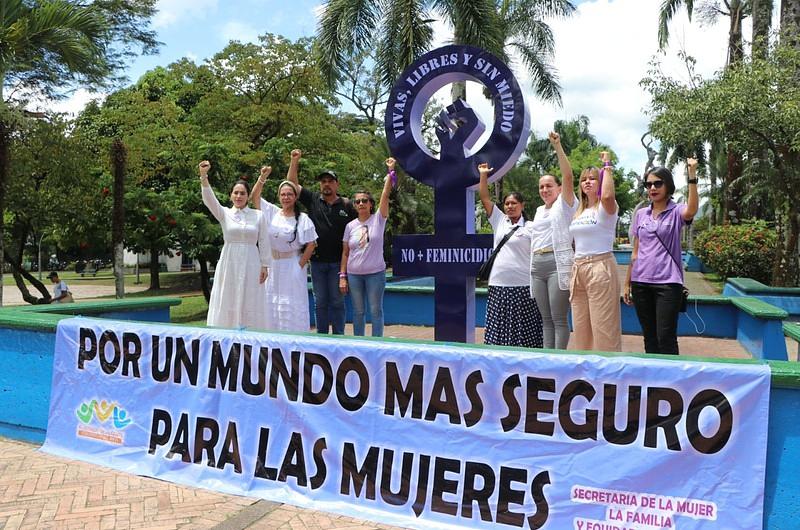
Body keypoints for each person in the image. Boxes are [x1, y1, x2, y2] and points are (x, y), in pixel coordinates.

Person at [624, 159, 699, 354]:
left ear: (668, 186)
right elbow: (635, 252)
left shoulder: (676, 211)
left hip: (668, 283)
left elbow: (691, 210)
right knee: (649, 337)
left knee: (665, 337)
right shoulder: (641, 214)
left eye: (658, 183)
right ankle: (652, 382)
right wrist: (627, 283)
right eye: (649, 184)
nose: (653, 188)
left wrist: (692, 177)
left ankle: (670, 383)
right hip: (640, 282)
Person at [286, 149, 356, 335]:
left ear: (337, 184)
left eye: (330, 181)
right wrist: (295, 161)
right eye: (323, 181)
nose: (326, 185)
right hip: (316, 262)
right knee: (320, 302)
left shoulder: (347, 205)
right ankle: (322, 337)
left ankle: (339, 337)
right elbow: (291, 184)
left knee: (337, 302)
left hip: (338, 263)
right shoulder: (313, 200)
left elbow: (359, 228)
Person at [478, 162, 543, 348]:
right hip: (499, 284)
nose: (510, 206)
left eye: (514, 203)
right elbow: (484, 197)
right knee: (499, 328)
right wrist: (483, 175)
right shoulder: (499, 221)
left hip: (524, 286)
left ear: (522, 205)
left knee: (524, 330)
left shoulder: (531, 227)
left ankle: (524, 371)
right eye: (507, 203)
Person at [199, 160, 270, 329]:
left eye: (242, 193)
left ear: (247, 196)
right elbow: (209, 199)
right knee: (228, 295)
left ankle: (251, 334)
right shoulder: (224, 213)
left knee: (250, 296)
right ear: (231, 195)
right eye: (235, 193)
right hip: (229, 261)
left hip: (252, 261)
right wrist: (203, 176)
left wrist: (265, 265)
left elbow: (264, 241)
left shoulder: (258, 215)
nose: (238, 196)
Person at [251, 166, 318, 332]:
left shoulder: (303, 218)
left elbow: (311, 244)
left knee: (292, 303)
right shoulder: (272, 212)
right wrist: (262, 177)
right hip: (273, 264)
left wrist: (300, 265)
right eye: (283, 194)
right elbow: (255, 197)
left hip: (292, 264)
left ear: (295, 197)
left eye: (289, 194)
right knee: (272, 303)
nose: (286, 197)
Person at [567, 151, 621, 351]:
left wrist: (606, 166)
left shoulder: (607, 207)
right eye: (584, 179)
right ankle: (584, 376)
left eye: (593, 179)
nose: (588, 182)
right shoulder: (579, 211)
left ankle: (608, 378)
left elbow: (607, 195)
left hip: (600, 266)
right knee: (581, 329)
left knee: (604, 328)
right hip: (578, 269)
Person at [529, 132, 578, 349]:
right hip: (537, 267)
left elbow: (568, 176)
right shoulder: (539, 210)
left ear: (559, 188)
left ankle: (560, 365)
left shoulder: (565, 205)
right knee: (545, 320)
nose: (545, 190)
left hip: (557, 264)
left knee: (558, 319)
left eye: (549, 185)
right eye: (541, 186)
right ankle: (546, 363)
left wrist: (558, 146)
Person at [339, 158, 394, 337]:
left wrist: (390, 172)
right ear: (354, 206)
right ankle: (359, 343)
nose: (361, 203)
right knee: (358, 311)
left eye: (364, 200)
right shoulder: (350, 226)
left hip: (375, 274)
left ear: (371, 203)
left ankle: (377, 343)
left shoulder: (378, 219)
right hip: (354, 275)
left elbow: (385, 196)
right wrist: (343, 276)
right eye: (357, 201)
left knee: (376, 310)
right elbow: (346, 253)